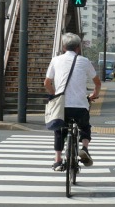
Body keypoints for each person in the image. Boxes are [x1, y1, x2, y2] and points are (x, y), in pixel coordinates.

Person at [44, 33, 102, 171]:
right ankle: (85, 148)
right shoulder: (84, 61)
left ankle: (57, 160)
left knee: (59, 130)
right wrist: (94, 95)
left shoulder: (55, 60)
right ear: (78, 47)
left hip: (62, 105)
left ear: (63, 47)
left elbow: (47, 83)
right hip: (80, 106)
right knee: (85, 127)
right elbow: (98, 83)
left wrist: (55, 94)